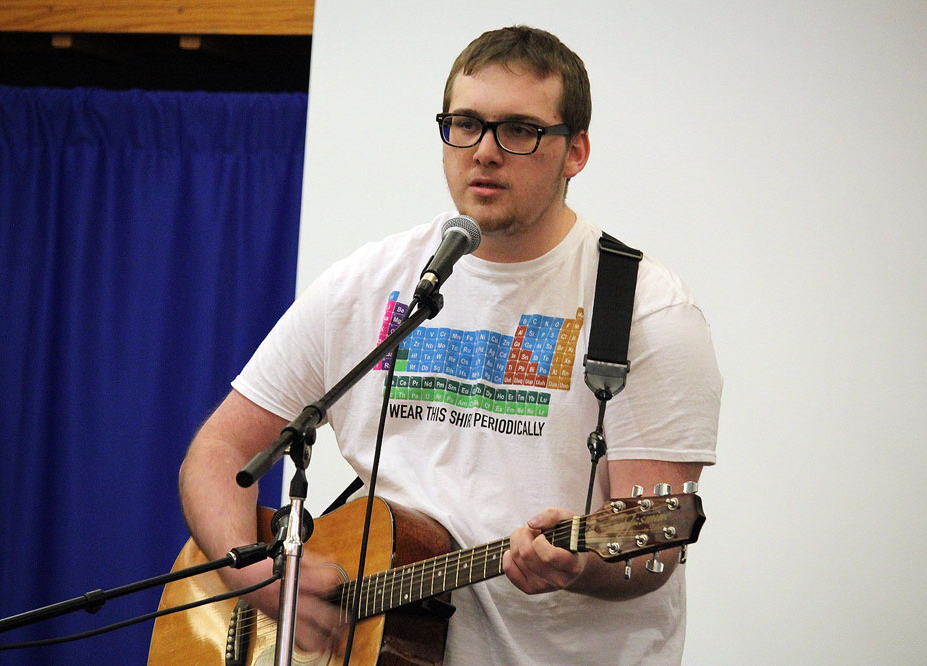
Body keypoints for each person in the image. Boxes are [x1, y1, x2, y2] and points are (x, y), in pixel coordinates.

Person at [179, 25, 721, 665]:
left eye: (519, 130)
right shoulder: (369, 283)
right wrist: (258, 579)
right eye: (465, 124)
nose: (485, 152)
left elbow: (654, 544)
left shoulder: (647, 312)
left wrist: (579, 566)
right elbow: (220, 453)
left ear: (575, 152)